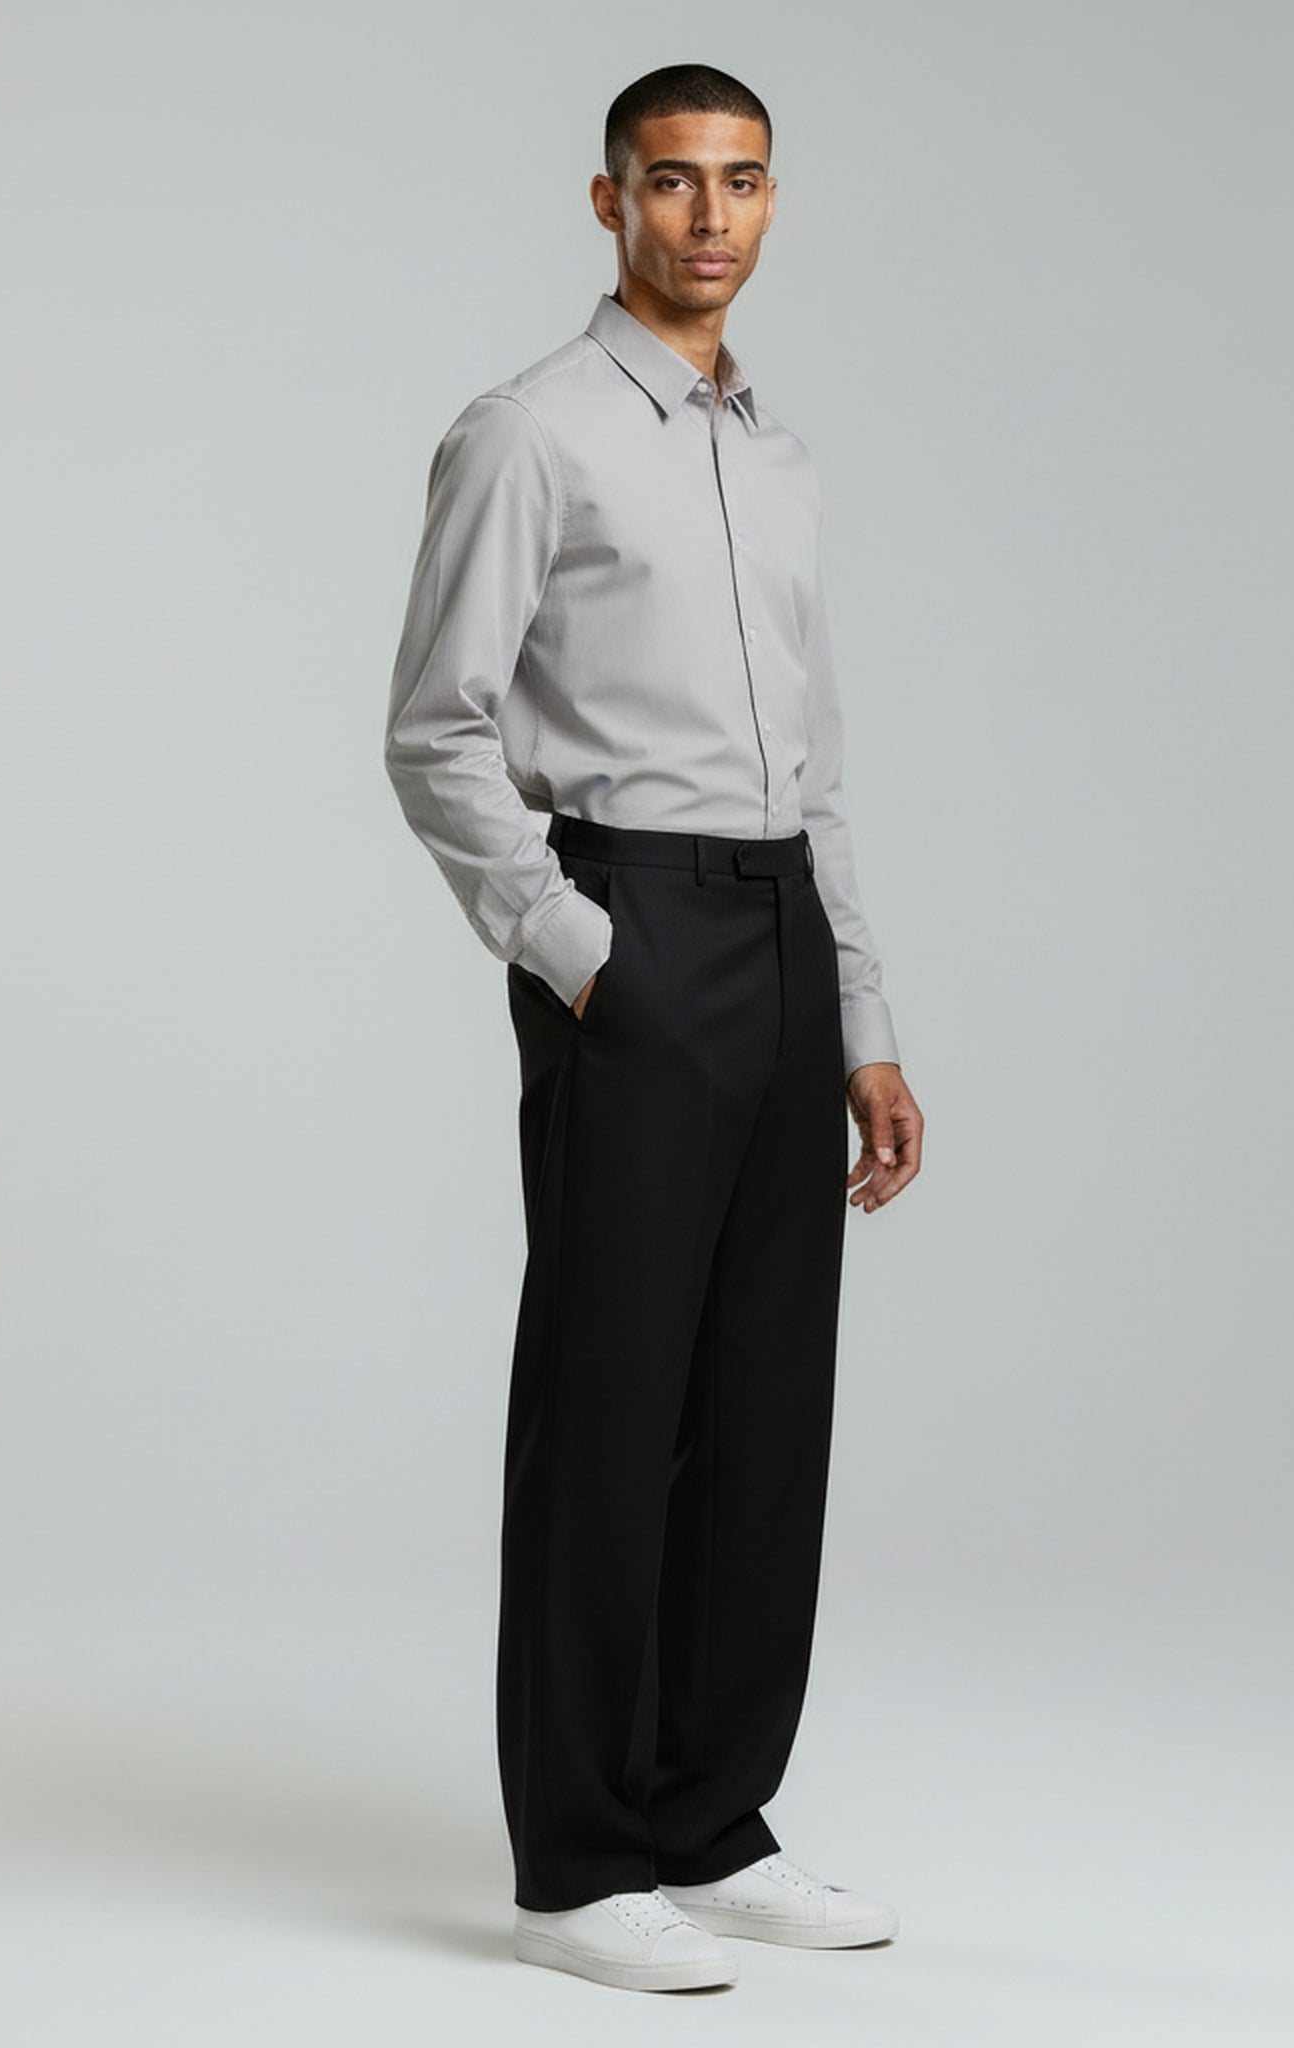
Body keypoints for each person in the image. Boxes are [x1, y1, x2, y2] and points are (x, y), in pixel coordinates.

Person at [384, 61, 925, 1995]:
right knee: (613, 1403)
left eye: (743, 181)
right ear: (608, 201)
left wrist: (861, 1017)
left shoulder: (776, 457)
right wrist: (575, 948)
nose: (711, 216)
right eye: (674, 181)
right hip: (636, 926)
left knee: (765, 1404)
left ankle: (710, 1819)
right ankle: (577, 1858)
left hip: (778, 927)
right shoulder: (529, 432)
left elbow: (817, 767)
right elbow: (435, 730)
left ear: (773, 201)